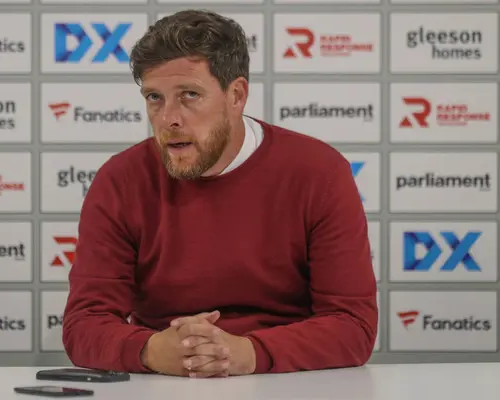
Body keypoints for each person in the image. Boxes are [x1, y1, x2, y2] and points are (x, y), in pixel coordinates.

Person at [62, 9, 378, 378]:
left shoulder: (319, 172)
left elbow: (353, 326)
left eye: (189, 95)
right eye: (154, 98)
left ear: (237, 95)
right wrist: (149, 350)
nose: (168, 119)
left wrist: (248, 352)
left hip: (288, 381)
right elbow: (84, 324)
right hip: (165, 382)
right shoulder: (120, 180)